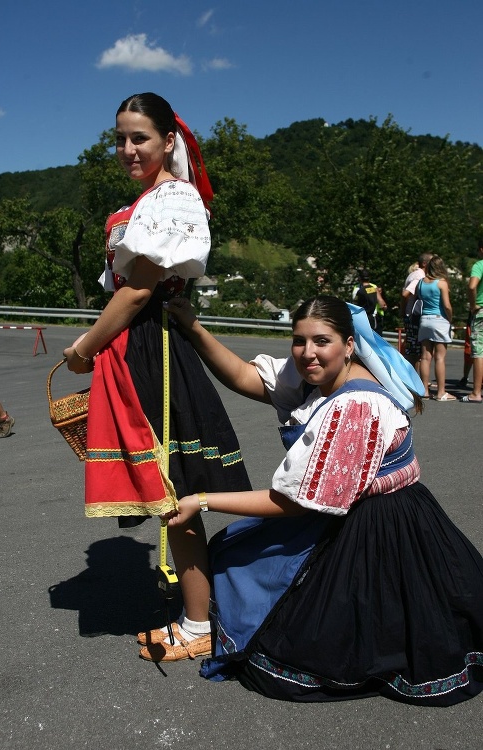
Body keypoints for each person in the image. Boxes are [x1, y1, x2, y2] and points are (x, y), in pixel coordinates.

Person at [140, 295, 483, 707]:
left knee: (294, 611)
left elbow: (300, 502)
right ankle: (204, 626)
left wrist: (203, 499)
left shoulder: (357, 405)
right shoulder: (321, 377)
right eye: (299, 341)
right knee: (237, 553)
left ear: (349, 344)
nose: (308, 353)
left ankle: (206, 632)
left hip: (378, 525)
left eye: (322, 341)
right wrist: (192, 327)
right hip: (342, 508)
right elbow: (248, 379)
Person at [63, 93, 251, 634]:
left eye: (139, 137)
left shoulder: (172, 199)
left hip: (154, 347)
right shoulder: (143, 204)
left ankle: (197, 624)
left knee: (178, 488)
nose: (127, 149)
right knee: (166, 484)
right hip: (134, 346)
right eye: (119, 138)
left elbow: (138, 292)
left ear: (169, 140)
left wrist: (83, 349)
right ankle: (196, 614)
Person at [416, 255, 456, 401]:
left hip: (424, 320)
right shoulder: (442, 283)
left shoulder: (420, 283)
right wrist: (450, 318)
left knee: (425, 357)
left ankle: (424, 390)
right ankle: (441, 392)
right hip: (439, 320)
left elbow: (417, 300)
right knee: (440, 357)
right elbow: (446, 305)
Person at [400, 253, 432, 370]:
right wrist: (404, 311)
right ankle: (412, 380)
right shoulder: (419, 276)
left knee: (413, 349)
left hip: (410, 314)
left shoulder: (413, 274)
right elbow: (405, 294)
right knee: (414, 351)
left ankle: (415, 379)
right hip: (413, 316)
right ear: (425, 263)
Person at [460, 240, 483, 403]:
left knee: (479, 352)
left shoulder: (479, 265)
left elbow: (472, 285)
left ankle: (476, 392)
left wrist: (473, 304)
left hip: (481, 311)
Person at [352, 269, 387, 333]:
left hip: (361, 319)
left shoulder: (357, 289)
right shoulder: (374, 287)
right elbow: (382, 304)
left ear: (360, 278)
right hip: (373, 318)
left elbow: (354, 305)